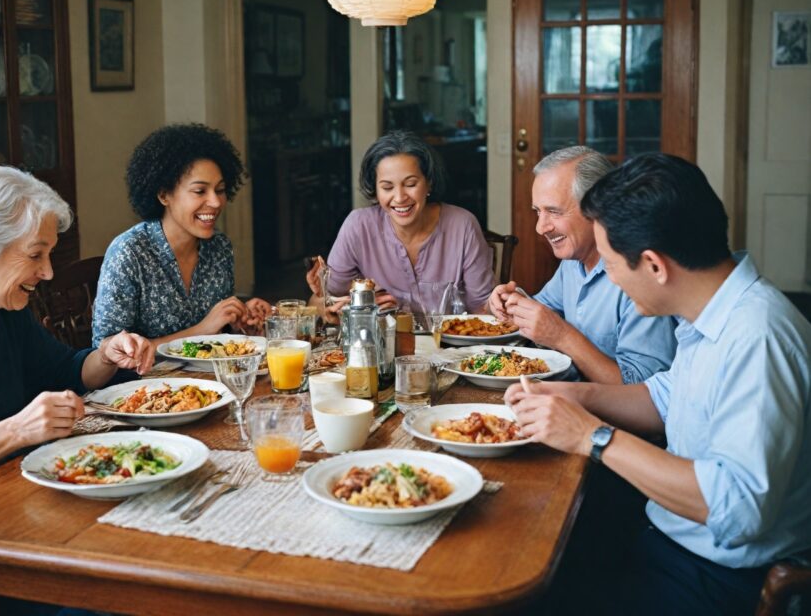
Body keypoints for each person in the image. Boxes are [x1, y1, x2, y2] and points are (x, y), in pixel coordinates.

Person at [506, 154, 811, 616]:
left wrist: (592, 435)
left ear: (654, 265)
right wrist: (572, 396)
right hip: (664, 536)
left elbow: (738, 508)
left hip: (719, 578)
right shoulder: (711, 312)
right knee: (530, 553)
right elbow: (664, 398)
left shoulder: (758, 337)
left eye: (609, 264)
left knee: (523, 595)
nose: (605, 277)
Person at [0, 166, 154, 616]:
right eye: (35, 255)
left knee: (134, 553)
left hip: (6, 510)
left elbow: (64, 369)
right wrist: (17, 431)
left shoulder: (4, 309)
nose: (46, 273)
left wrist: (106, 354)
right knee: (102, 592)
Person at [488, 145, 677, 383]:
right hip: (567, 397)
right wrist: (512, 303)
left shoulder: (639, 273)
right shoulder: (573, 259)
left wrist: (562, 337)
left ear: (597, 208)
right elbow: (545, 310)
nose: (540, 227)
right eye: (538, 211)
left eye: (554, 212)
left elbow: (644, 391)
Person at [92, 124, 272, 348]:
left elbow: (216, 337)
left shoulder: (219, 248)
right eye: (199, 191)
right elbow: (105, 353)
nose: (215, 202)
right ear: (163, 195)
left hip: (206, 381)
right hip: (144, 383)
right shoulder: (129, 253)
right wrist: (202, 330)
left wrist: (238, 321)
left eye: (220, 190)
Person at [306, 131, 495, 316]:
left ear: (429, 183)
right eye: (387, 187)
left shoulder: (462, 225)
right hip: (382, 345)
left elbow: (482, 306)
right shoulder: (358, 226)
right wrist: (344, 306)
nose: (399, 197)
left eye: (411, 184)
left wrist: (505, 302)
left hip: (451, 345)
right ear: (375, 190)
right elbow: (321, 301)